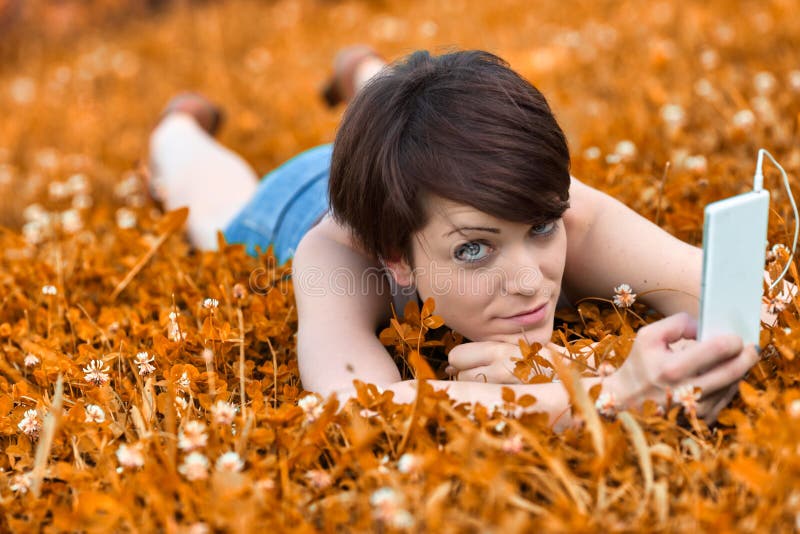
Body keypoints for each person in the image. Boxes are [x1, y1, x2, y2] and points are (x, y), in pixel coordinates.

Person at [148, 48, 759, 428]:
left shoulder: (561, 207)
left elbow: (736, 300)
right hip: (297, 199)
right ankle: (179, 125)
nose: (528, 281)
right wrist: (600, 394)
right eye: (474, 248)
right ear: (397, 260)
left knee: (414, 111)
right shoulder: (334, 257)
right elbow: (356, 407)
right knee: (209, 208)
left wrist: (575, 361)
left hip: (427, 169)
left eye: (541, 229)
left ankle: (366, 72)